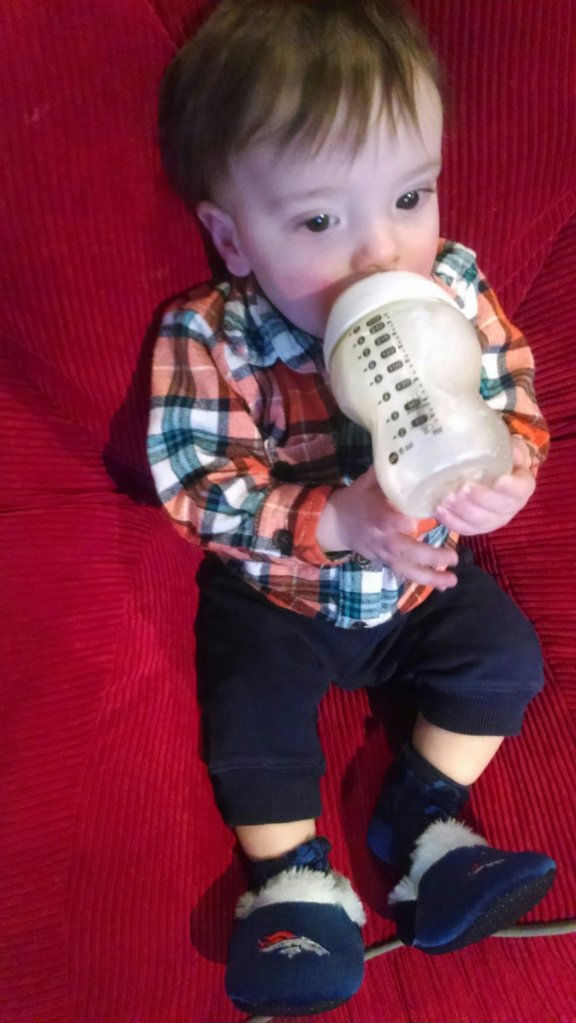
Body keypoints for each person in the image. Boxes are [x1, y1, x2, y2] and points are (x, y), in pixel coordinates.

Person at [147, 0, 556, 1015]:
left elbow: (509, 395)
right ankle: (291, 887)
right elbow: (199, 488)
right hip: (278, 597)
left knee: (506, 657)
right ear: (233, 237)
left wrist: (509, 469)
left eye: (411, 196)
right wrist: (334, 520)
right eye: (320, 221)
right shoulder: (214, 335)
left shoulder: (450, 286)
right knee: (248, 716)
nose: (383, 253)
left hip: (420, 583)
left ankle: (424, 825)